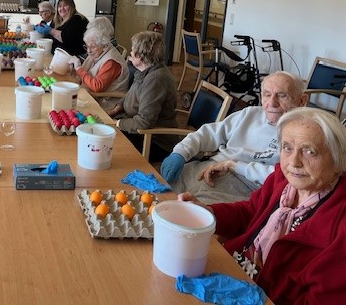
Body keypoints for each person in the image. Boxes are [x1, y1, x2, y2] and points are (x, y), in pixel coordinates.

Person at [178, 108, 346, 303]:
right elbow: (250, 212)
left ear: (337, 160)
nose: (294, 162)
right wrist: (209, 213)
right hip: (234, 271)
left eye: (310, 151)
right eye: (287, 148)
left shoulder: (340, 224)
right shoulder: (282, 179)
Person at [161, 71, 307, 204]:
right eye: (267, 95)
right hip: (209, 167)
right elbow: (209, 133)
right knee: (157, 193)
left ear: (302, 101)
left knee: (188, 215)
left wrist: (236, 166)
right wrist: (180, 152)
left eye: (282, 95)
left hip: (245, 187)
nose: (272, 103)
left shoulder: (305, 135)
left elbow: (286, 177)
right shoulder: (250, 114)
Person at [106, 31, 177, 161]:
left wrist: (117, 123)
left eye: (133, 50)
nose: (130, 53)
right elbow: (132, 95)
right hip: (137, 132)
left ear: (141, 56)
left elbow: (144, 122)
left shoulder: (156, 79)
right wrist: (116, 110)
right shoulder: (145, 72)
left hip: (153, 141)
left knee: (103, 146)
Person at [68, 26, 129, 109]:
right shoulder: (97, 53)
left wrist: (79, 69)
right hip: (91, 95)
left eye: (93, 47)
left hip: (105, 103)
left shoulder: (111, 61)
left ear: (104, 46)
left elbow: (97, 86)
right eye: (87, 46)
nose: (89, 51)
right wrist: (74, 69)